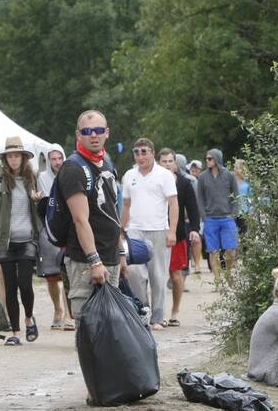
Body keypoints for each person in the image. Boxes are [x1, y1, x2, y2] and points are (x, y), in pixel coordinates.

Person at [58, 110, 126, 318]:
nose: (93, 135)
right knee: (89, 328)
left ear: (107, 133)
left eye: (98, 130)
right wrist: (94, 261)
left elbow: (113, 211)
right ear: (78, 135)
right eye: (87, 131)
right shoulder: (73, 167)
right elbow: (80, 219)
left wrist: (121, 252)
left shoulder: (106, 161)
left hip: (111, 256)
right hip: (85, 261)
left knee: (111, 326)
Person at [0, 136, 42, 345]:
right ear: (5, 159)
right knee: (10, 287)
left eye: (17, 155)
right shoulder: (0, 181)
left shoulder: (33, 178)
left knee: (25, 284)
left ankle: (29, 318)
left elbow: (45, 208)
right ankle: (15, 332)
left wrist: (38, 201)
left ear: (23, 158)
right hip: (5, 242)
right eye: (10, 156)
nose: (14, 160)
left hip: (27, 239)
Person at [120, 138, 178, 331]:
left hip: (158, 230)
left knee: (158, 275)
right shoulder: (129, 175)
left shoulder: (165, 175)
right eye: (136, 152)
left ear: (153, 153)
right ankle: (142, 309)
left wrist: (172, 231)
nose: (140, 156)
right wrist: (122, 229)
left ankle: (158, 317)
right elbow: (126, 205)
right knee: (134, 273)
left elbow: (173, 204)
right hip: (134, 230)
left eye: (144, 152)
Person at [158, 148, 200, 327]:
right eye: (164, 161)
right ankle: (158, 313)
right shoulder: (154, 180)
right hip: (156, 231)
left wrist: (196, 229)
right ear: (159, 162)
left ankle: (174, 311)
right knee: (157, 276)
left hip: (178, 234)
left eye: (170, 161)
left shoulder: (183, 183)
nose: (167, 164)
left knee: (176, 275)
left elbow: (192, 207)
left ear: (175, 163)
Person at [36, 144, 73, 331]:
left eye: (60, 158)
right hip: (49, 228)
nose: (57, 162)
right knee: (51, 275)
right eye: (54, 159)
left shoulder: (69, 174)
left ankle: (68, 313)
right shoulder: (42, 178)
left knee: (68, 273)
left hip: (68, 228)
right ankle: (57, 309)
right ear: (48, 160)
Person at [198, 148, 239, 286]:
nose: (207, 161)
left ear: (217, 159)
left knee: (230, 250)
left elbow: (236, 196)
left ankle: (228, 274)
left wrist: (233, 214)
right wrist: (204, 217)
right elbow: (200, 198)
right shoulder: (203, 177)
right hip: (210, 218)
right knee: (213, 251)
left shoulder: (229, 176)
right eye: (206, 159)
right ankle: (217, 279)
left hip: (227, 217)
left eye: (210, 158)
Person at [232, 158, 252, 236]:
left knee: (244, 235)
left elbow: (251, 198)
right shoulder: (231, 181)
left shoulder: (248, 182)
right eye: (235, 167)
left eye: (238, 167)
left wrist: (251, 211)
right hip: (232, 213)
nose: (236, 170)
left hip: (244, 213)